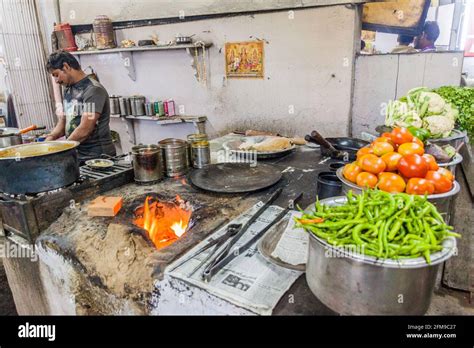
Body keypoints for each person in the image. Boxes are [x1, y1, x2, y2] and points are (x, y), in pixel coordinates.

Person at [45, 51, 116, 162]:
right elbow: (64, 120)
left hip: (97, 157)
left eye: (56, 75)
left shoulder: (92, 90)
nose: (57, 80)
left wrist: (61, 148)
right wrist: (51, 137)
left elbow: (85, 129)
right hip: (77, 154)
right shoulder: (68, 89)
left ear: (66, 66)